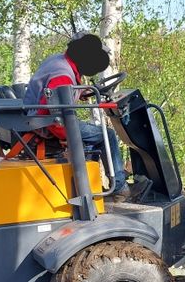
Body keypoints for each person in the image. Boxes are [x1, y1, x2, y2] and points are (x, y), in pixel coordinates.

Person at [23, 33, 128, 197]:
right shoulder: (63, 75)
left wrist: (81, 91)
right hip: (45, 124)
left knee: (93, 137)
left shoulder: (58, 61)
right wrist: (66, 136)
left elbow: (55, 96)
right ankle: (120, 187)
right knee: (107, 135)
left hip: (37, 118)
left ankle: (92, 185)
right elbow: (53, 111)